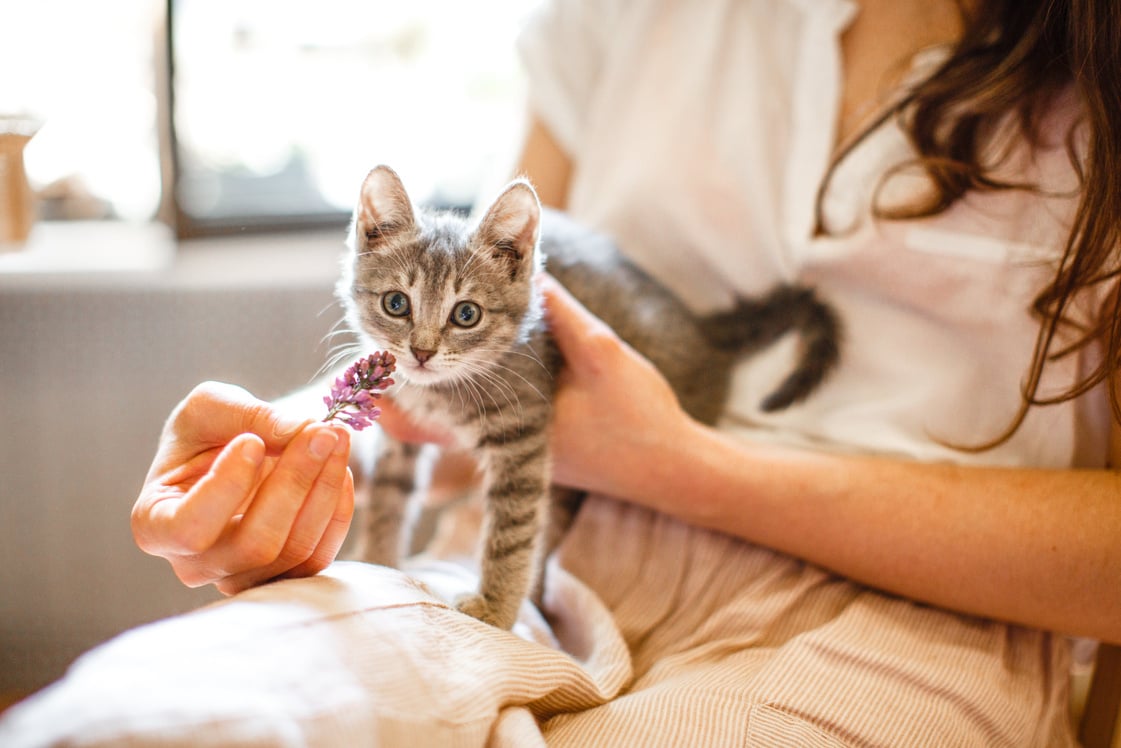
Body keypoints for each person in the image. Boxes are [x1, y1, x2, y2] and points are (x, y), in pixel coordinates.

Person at [5, 0, 1119, 745]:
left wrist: (681, 466)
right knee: (135, 720)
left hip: (905, 613)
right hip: (530, 540)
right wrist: (285, 440)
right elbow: (477, 324)